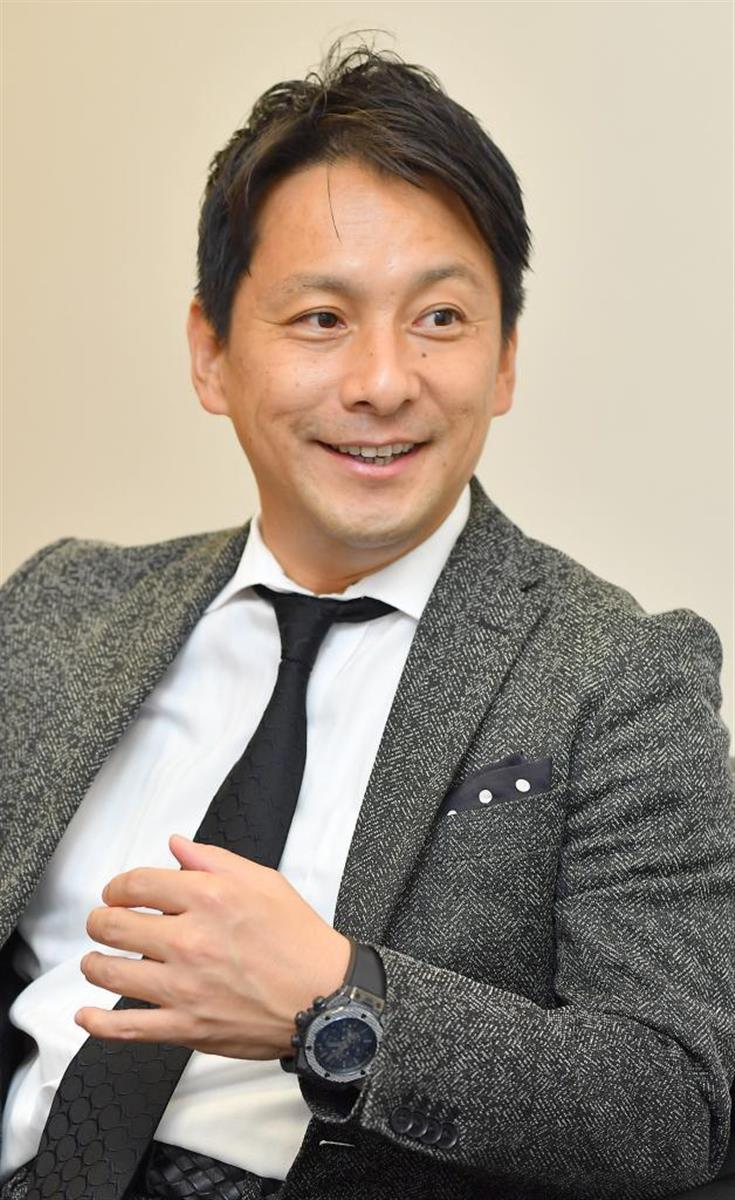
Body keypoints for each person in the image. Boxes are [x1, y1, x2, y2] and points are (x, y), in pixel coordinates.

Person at [0, 40, 733, 1200]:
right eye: (321, 317)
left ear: (504, 359)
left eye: (440, 317)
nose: (384, 382)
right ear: (211, 352)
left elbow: (672, 1101)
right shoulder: (58, 609)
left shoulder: (619, 674)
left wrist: (338, 1000)